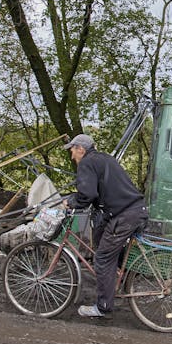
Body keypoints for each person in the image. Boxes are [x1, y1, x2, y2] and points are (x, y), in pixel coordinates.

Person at [62, 134, 149, 318]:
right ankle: (116, 283)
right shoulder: (105, 159)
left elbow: (87, 195)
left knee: (102, 258)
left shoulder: (87, 163)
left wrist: (71, 202)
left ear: (81, 149)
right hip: (135, 210)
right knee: (107, 248)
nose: (72, 156)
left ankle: (103, 307)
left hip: (124, 216)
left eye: (72, 151)